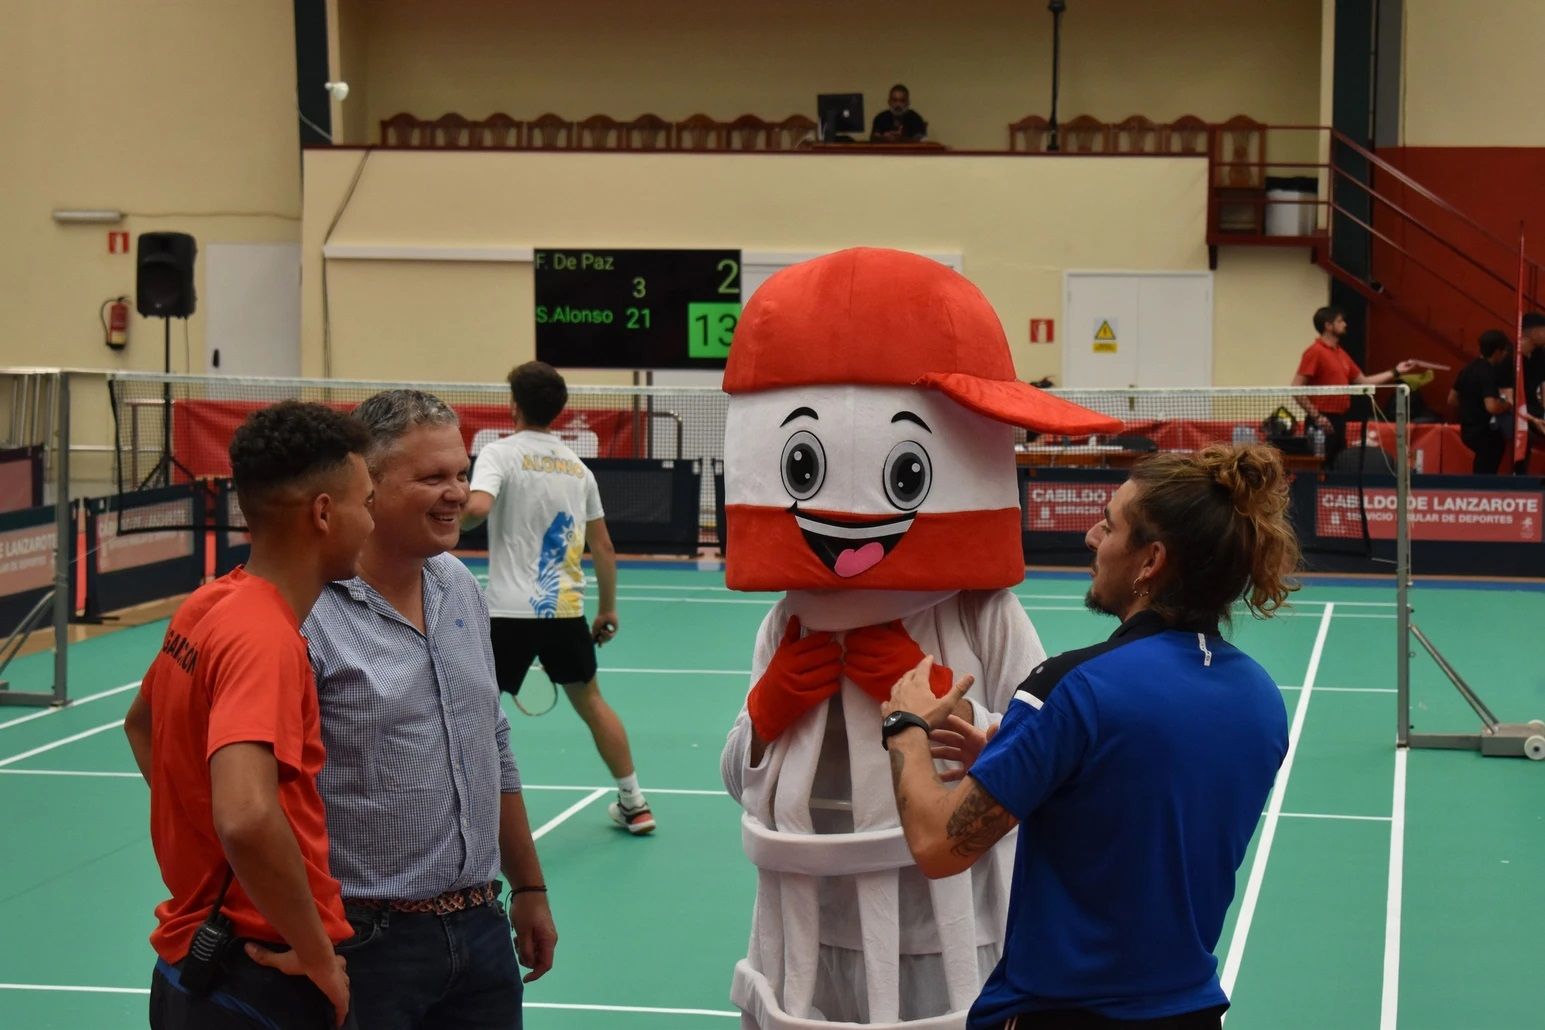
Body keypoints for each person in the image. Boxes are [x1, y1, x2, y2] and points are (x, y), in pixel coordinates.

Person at [881, 442, 1297, 1029]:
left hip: (1065, 1013)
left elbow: (937, 844)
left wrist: (904, 726)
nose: (1091, 539)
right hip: (1189, 1012)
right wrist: (1025, 765)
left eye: (1108, 526)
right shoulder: (1261, 699)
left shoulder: (1072, 688)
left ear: (1150, 562)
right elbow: (1136, 805)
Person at [299, 389, 558, 1028]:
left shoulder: (460, 588)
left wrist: (528, 887)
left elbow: (492, 742)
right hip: (362, 943)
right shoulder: (309, 615)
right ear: (368, 484)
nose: (457, 494)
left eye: (461, 474)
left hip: (481, 930)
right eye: (432, 477)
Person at [123, 402, 376, 1029]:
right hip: (258, 975)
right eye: (365, 503)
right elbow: (245, 815)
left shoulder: (209, 603)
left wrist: (204, 853)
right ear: (323, 512)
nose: (370, 522)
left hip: (191, 963)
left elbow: (140, 723)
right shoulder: (267, 639)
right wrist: (318, 956)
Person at [462, 361, 654, 834]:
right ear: (559, 411)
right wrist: (607, 608)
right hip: (563, 609)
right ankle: (635, 801)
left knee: (480, 708)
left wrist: (443, 517)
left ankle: (469, 808)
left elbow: (477, 510)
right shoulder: (577, 468)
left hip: (506, 610)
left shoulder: (498, 454)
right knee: (591, 702)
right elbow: (603, 547)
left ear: (514, 405)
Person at [1291, 305, 1417, 464]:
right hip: (1321, 422)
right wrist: (1317, 417)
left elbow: (1365, 381)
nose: (1345, 324)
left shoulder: (1341, 354)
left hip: (1339, 420)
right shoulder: (1315, 352)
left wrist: (1396, 371)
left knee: (1335, 467)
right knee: (1318, 469)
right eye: (1340, 321)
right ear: (1328, 326)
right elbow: (1296, 388)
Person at [1449, 329, 1515, 474]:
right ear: (1497, 351)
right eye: (1504, 351)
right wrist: (1508, 405)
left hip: (1467, 430)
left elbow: (1452, 399)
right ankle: (1482, 490)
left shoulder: (1467, 369)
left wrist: (1469, 406)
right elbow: (1491, 407)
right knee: (1487, 464)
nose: (1505, 355)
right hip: (1484, 431)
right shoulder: (1488, 372)